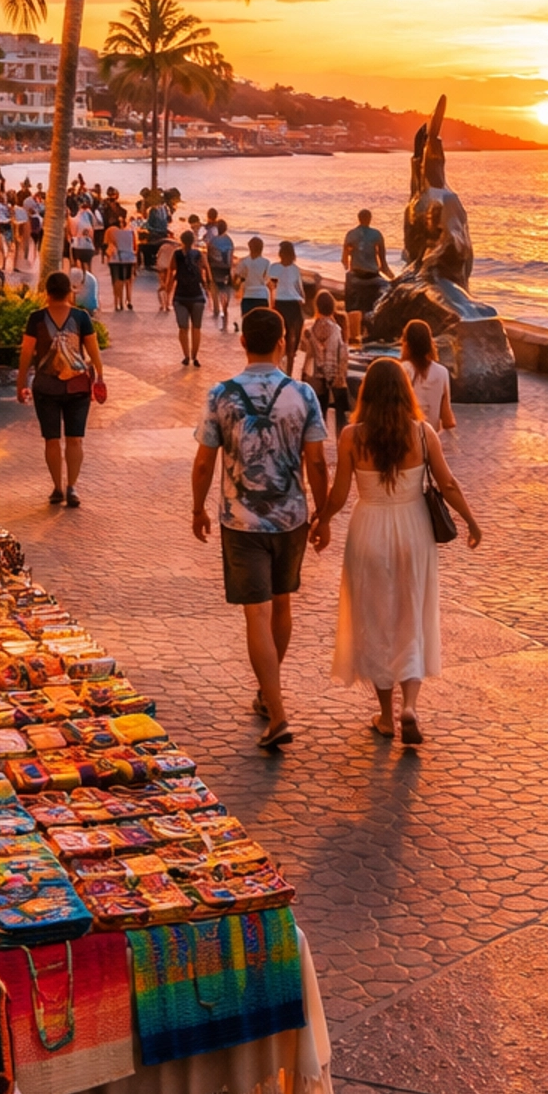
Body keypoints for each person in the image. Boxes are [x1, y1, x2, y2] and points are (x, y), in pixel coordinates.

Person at [315, 355, 481, 746]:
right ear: (405, 392)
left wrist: (320, 520)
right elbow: (450, 484)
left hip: (368, 529)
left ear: (367, 393)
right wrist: (472, 522)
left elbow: (339, 494)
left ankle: (387, 717)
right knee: (411, 613)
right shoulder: (423, 434)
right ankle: (410, 706)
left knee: (376, 621)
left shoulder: (351, 436)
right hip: (413, 531)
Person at [191, 305, 329, 752]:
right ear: (283, 342)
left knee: (257, 613)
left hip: (241, 520)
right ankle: (267, 697)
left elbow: (203, 460)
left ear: (243, 342)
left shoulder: (221, 395)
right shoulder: (303, 395)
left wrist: (198, 508)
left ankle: (279, 712)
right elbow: (316, 461)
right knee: (282, 603)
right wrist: (322, 514)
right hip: (292, 517)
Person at [18, 269, 104, 509]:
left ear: (47, 293)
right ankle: (72, 487)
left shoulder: (36, 318)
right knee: (75, 440)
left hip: (45, 386)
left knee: (52, 440)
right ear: (69, 292)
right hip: (77, 386)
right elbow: (94, 352)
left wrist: (21, 382)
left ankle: (57, 487)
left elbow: (26, 353)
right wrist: (100, 378)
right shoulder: (81, 317)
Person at [302, 289, 350, 436]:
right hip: (333, 376)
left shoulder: (309, 328)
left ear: (317, 306)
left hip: (313, 376)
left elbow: (304, 349)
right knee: (341, 416)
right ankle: (341, 444)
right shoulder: (337, 329)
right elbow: (342, 354)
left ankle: (314, 448)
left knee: (315, 417)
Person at [341, 207, 392, 344]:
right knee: (386, 291)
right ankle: (370, 331)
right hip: (372, 275)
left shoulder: (351, 234)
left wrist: (353, 257)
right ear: (370, 219)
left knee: (351, 286)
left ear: (359, 219)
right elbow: (384, 264)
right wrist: (393, 279)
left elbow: (344, 261)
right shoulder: (376, 235)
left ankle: (353, 335)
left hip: (356, 275)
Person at [401, 319, 455, 436]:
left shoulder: (402, 370)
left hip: (406, 439)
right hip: (430, 439)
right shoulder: (442, 372)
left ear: (406, 343)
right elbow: (447, 421)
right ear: (430, 343)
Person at [267, 240, 308, 373]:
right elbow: (299, 288)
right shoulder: (294, 269)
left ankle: (283, 369)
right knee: (291, 339)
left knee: (285, 339)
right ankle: (286, 371)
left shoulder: (274, 268)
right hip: (291, 304)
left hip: (282, 303)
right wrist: (303, 300)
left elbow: (270, 287)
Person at [171, 229, 210, 366]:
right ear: (193, 241)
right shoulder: (199, 254)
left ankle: (186, 356)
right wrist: (208, 290)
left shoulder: (176, 254)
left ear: (181, 241)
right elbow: (207, 272)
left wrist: (167, 289)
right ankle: (195, 356)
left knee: (183, 328)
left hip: (180, 295)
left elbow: (172, 272)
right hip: (197, 296)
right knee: (196, 328)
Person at [235, 236, 271, 326]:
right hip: (262, 295)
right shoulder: (266, 262)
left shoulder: (244, 261)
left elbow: (237, 276)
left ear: (249, 247)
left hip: (248, 295)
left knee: (247, 323)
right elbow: (267, 279)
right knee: (262, 324)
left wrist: (236, 286)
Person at [207, 216, 234, 328]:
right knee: (226, 289)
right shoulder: (229, 241)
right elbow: (230, 258)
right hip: (226, 268)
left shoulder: (213, 240)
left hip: (214, 267)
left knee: (214, 288)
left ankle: (216, 309)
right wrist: (230, 268)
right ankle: (225, 308)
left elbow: (209, 256)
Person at [107, 210, 138, 311]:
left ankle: (117, 303)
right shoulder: (131, 232)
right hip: (129, 258)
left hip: (116, 259)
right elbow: (135, 246)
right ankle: (129, 300)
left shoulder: (111, 232)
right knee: (128, 281)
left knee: (116, 281)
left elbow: (108, 246)